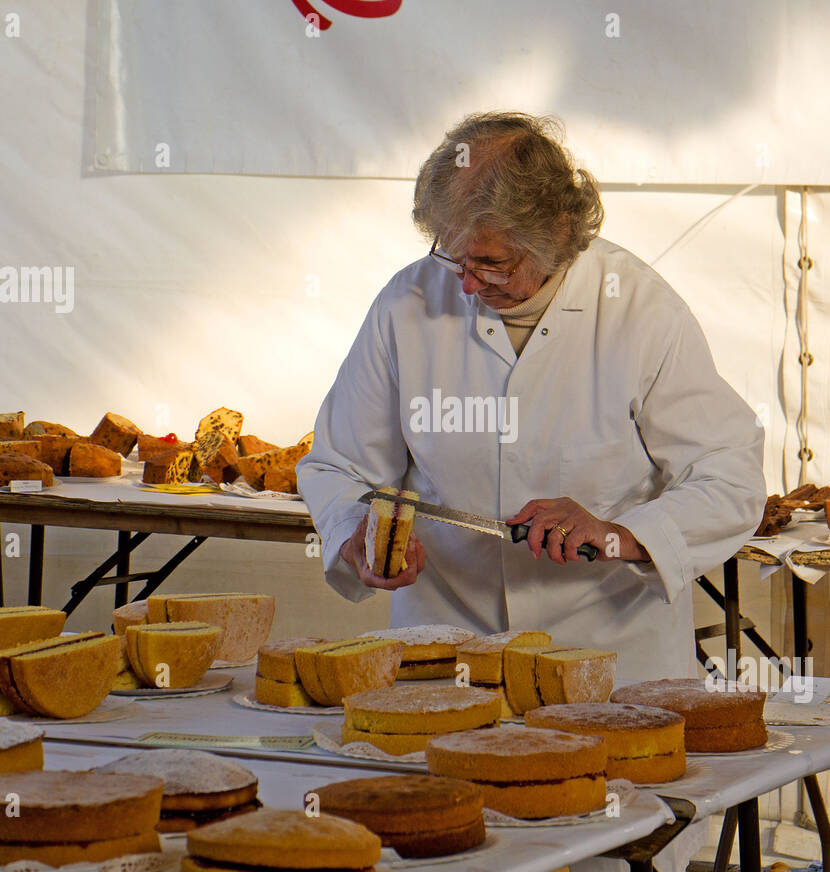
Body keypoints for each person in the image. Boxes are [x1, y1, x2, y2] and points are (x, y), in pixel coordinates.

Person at [297, 112, 766, 679]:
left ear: (560, 232)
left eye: (492, 263)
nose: (467, 284)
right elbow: (339, 464)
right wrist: (354, 539)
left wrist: (620, 535)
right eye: (455, 257)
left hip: (611, 664)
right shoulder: (408, 302)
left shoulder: (639, 309)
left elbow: (730, 475)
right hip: (447, 659)